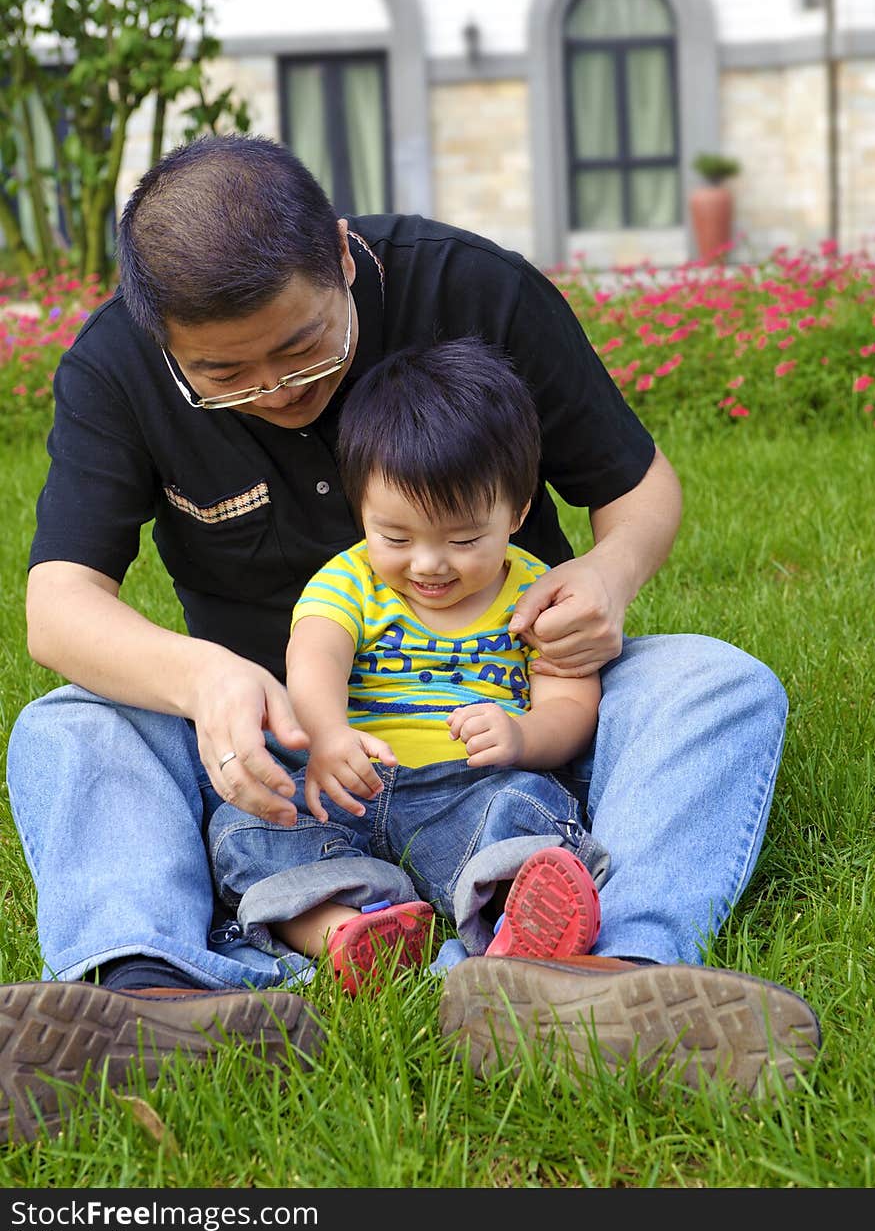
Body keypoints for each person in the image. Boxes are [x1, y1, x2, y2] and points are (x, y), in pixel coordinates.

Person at [3, 133, 820, 1141]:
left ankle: (601, 972)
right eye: (224, 373)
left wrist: (607, 576)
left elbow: (637, 485)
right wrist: (201, 676)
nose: (274, 390)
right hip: (278, 740)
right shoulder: (116, 364)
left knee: (718, 680)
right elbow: (59, 603)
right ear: (160, 335)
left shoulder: (473, 289)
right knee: (70, 725)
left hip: (509, 711)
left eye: (304, 348)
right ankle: (151, 991)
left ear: (343, 256)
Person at [207, 338, 606, 995]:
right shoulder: (350, 579)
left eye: (463, 539)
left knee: (524, 807)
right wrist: (330, 734)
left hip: (469, 791)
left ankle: (517, 927)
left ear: (519, 508)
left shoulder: (537, 592)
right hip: (350, 787)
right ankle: (345, 931)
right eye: (395, 537)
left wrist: (523, 737)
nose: (428, 563)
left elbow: (570, 702)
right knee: (247, 826)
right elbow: (315, 655)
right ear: (361, 507)